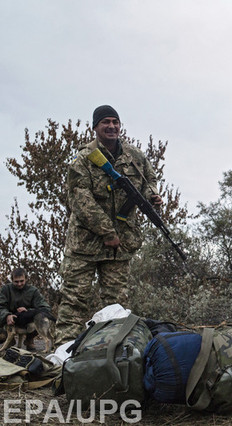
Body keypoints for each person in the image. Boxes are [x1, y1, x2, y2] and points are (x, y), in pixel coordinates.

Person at [56, 105, 162, 346]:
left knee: (116, 307)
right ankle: (62, 357)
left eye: (115, 121)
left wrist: (152, 194)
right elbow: (80, 201)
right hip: (85, 245)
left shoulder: (135, 157)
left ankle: (113, 352)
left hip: (120, 247)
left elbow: (149, 179)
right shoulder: (84, 158)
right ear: (95, 127)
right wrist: (107, 232)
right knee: (74, 302)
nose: (112, 126)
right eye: (105, 122)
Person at [0, 268, 53, 350]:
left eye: (22, 281)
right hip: (8, 322)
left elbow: (45, 308)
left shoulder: (33, 291)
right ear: (12, 280)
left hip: (26, 320)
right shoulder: (5, 289)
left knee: (39, 318)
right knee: (2, 336)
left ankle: (29, 339)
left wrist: (29, 310)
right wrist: (7, 315)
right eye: (16, 281)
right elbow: (1, 306)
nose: (19, 284)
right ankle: (9, 339)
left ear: (26, 279)